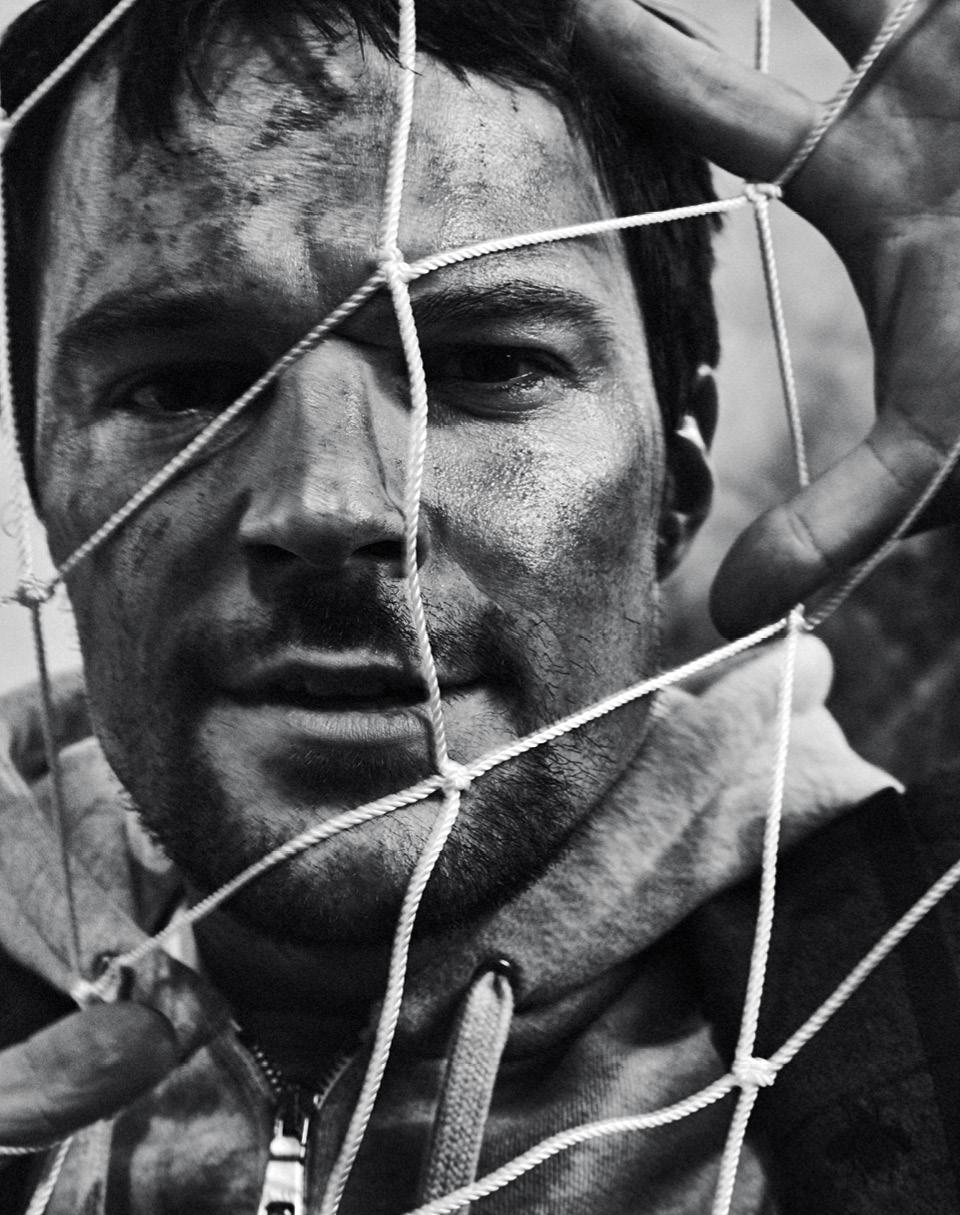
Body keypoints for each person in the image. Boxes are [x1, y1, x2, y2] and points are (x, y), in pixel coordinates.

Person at [0, 0, 958, 1211]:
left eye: (485, 364)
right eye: (181, 387)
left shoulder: (924, 974)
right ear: (47, 486)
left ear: (677, 475)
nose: (330, 503)